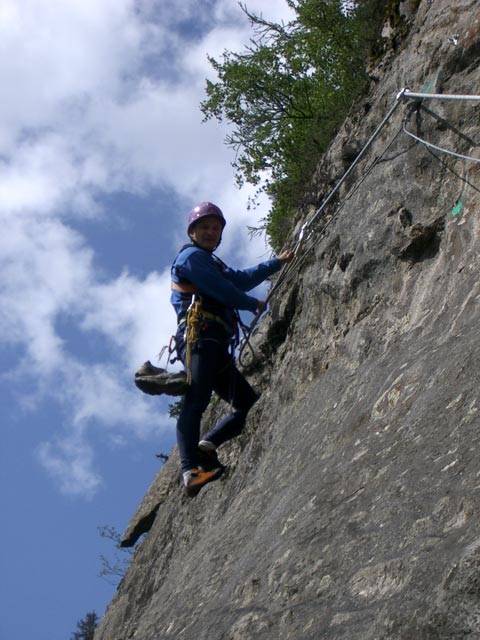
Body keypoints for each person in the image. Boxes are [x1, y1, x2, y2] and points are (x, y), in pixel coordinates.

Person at [170, 201, 293, 497]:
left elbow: (238, 279)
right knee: (196, 399)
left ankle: (208, 444)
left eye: (216, 229)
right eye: (205, 228)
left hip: (217, 345)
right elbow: (220, 288)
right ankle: (190, 471)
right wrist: (251, 304)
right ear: (193, 232)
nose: (211, 233)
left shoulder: (213, 263)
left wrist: (277, 262)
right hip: (199, 339)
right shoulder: (190, 258)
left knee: (247, 403)